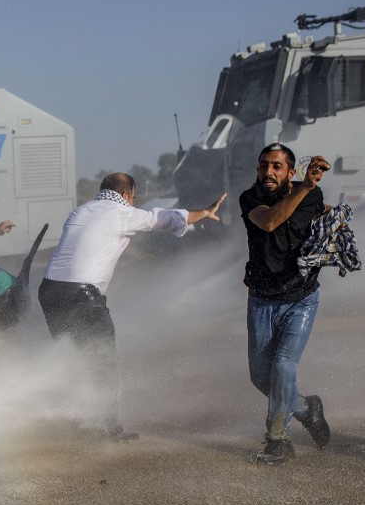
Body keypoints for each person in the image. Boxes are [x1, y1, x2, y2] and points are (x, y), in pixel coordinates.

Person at [38, 173, 225, 441]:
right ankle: (107, 429)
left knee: (73, 356)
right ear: (127, 195)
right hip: (82, 294)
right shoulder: (123, 212)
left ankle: (76, 418)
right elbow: (168, 218)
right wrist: (204, 212)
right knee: (103, 360)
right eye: (133, 198)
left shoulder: (79, 211)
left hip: (49, 290)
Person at [240, 144, 333, 465]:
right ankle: (308, 409)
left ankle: (278, 440)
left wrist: (309, 191)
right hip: (261, 299)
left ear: (290, 172)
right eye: (263, 165)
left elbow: (313, 216)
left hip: (301, 298)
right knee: (260, 377)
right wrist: (305, 187)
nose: (268, 172)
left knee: (282, 367)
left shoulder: (311, 196)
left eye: (277, 166)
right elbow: (268, 223)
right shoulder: (250, 198)